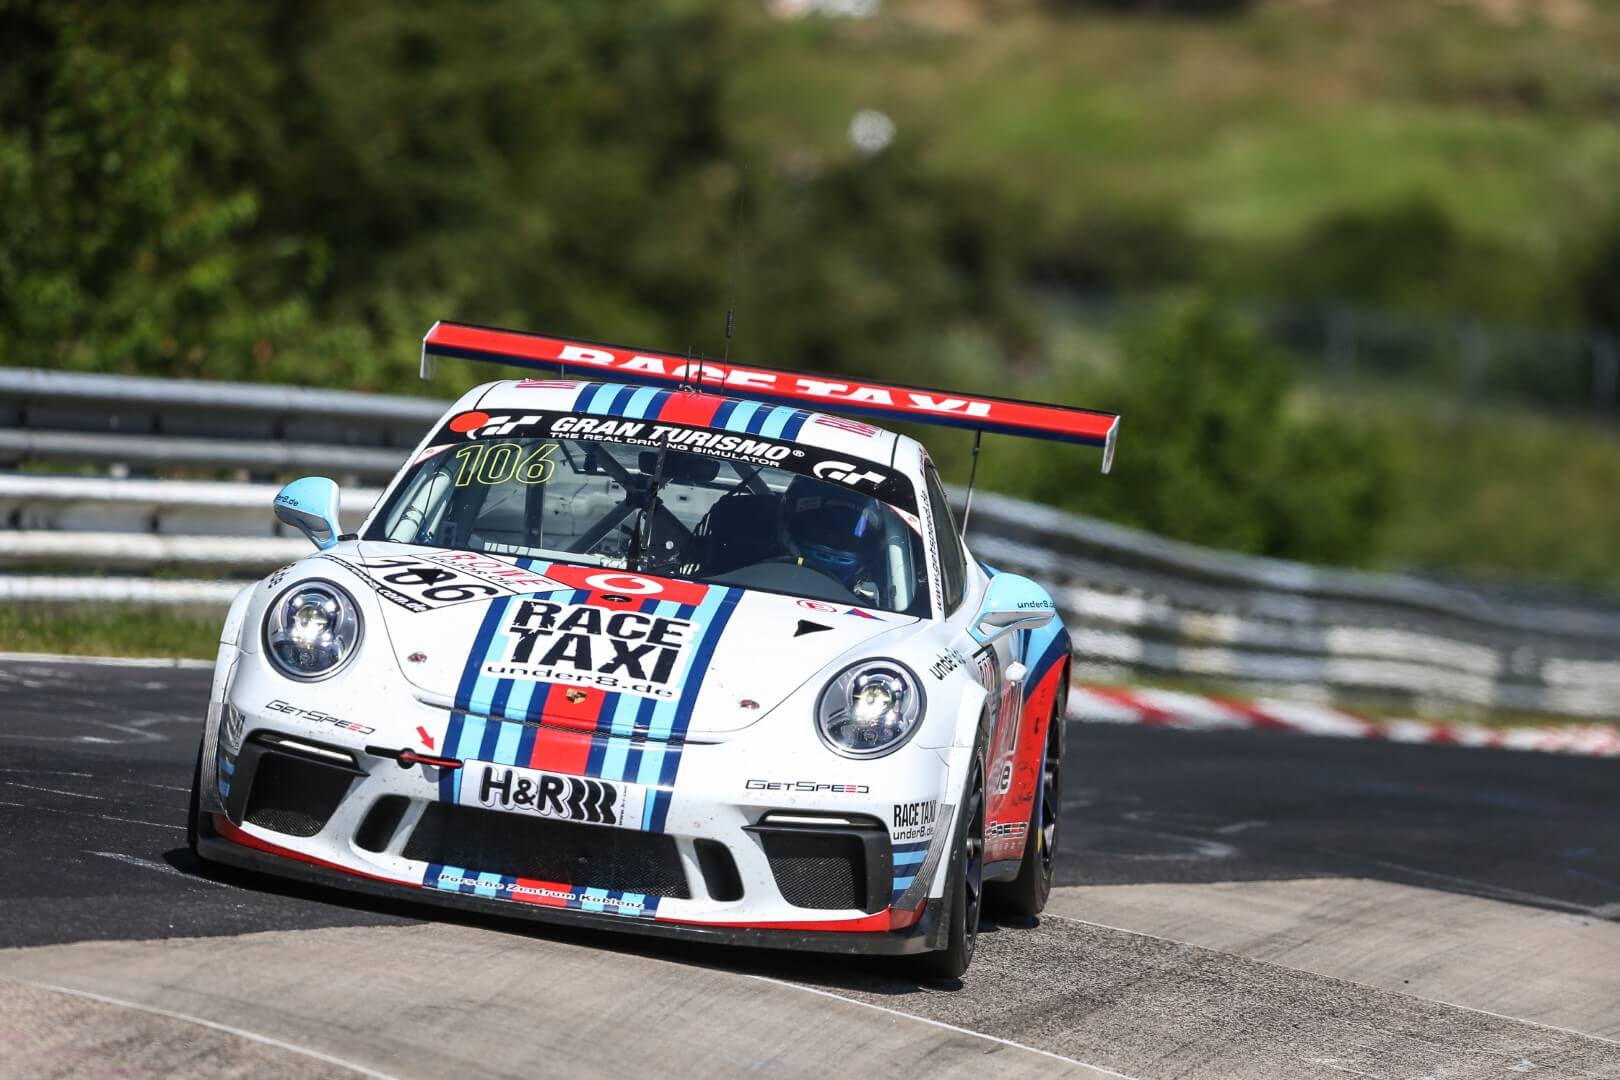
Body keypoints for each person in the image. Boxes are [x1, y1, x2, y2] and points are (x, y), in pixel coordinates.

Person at [779, 476, 886, 604]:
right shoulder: (765, 571)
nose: (835, 538)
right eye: (823, 527)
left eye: (845, 533)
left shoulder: (878, 597)